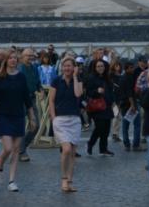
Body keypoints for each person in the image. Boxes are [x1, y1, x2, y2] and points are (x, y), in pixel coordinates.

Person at [0, 53, 33, 192]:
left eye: (15, 58)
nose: (13, 60)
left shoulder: (21, 77)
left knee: (15, 150)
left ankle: (12, 180)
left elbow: (27, 99)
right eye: (10, 57)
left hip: (18, 116)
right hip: (3, 116)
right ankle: (0, 165)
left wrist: (32, 116)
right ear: (6, 60)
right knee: (8, 148)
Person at [48, 55, 84, 193]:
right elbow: (51, 100)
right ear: (62, 67)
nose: (67, 68)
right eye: (65, 66)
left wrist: (75, 77)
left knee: (73, 152)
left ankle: (69, 181)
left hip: (74, 119)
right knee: (67, 149)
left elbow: (77, 94)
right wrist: (53, 117)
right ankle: (63, 178)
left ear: (74, 67)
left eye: (70, 66)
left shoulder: (78, 80)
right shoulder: (56, 81)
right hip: (60, 120)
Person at [84, 58, 114, 156]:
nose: (100, 68)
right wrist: (97, 91)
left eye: (102, 66)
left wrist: (113, 101)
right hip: (97, 107)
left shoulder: (107, 77)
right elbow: (88, 92)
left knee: (106, 129)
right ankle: (90, 143)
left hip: (107, 106)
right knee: (99, 128)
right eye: (98, 66)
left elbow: (110, 91)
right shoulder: (91, 78)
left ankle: (103, 148)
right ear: (95, 68)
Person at [114, 59, 140, 152]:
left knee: (125, 125)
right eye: (131, 68)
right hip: (130, 103)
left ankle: (127, 144)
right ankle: (136, 144)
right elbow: (129, 93)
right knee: (137, 124)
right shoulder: (128, 78)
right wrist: (133, 105)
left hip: (123, 104)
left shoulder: (122, 78)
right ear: (127, 69)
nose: (133, 69)